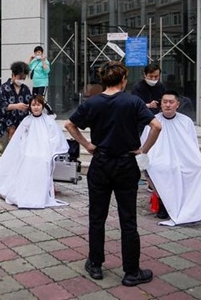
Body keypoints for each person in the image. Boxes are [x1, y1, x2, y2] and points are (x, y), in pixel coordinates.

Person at [65, 61, 161, 287]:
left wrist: (87, 144)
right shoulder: (133, 101)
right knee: (128, 219)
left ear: (103, 80)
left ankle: (96, 264)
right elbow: (156, 126)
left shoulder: (93, 102)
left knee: (97, 217)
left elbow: (70, 124)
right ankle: (131, 271)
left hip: (100, 163)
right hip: (126, 163)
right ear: (123, 80)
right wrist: (143, 149)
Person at [142, 91, 201, 226]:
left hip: (183, 158)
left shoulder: (186, 121)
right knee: (155, 168)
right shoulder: (152, 121)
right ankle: (163, 202)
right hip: (160, 158)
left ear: (177, 104)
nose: (168, 105)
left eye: (171, 102)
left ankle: (190, 207)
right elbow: (145, 144)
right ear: (160, 104)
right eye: (165, 102)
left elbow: (192, 145)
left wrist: (191, 160)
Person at [0, 95, 69, 208]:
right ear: (30, 107)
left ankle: (40, 193)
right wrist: (23, 150)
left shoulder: (49, 121)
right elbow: (21, 137)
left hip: (44, 150)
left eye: (38, 105)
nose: (36, 107)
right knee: (27, 159)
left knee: (43, 160)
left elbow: (55, 137)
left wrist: (51, 150)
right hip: (29, 149)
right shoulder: (27, 121)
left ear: (42, 106)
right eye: (33, 105)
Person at [0, 61, 32, 155]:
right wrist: (16, 106)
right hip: (6, 126)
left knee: (19, 155)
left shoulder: (26, 89)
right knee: (4, 154)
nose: (22, 80)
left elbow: (30, 104)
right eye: (20, 78)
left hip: (21, 127)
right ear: (13, 75)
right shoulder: (4, 88)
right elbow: (1, 105)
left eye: (24, 78)